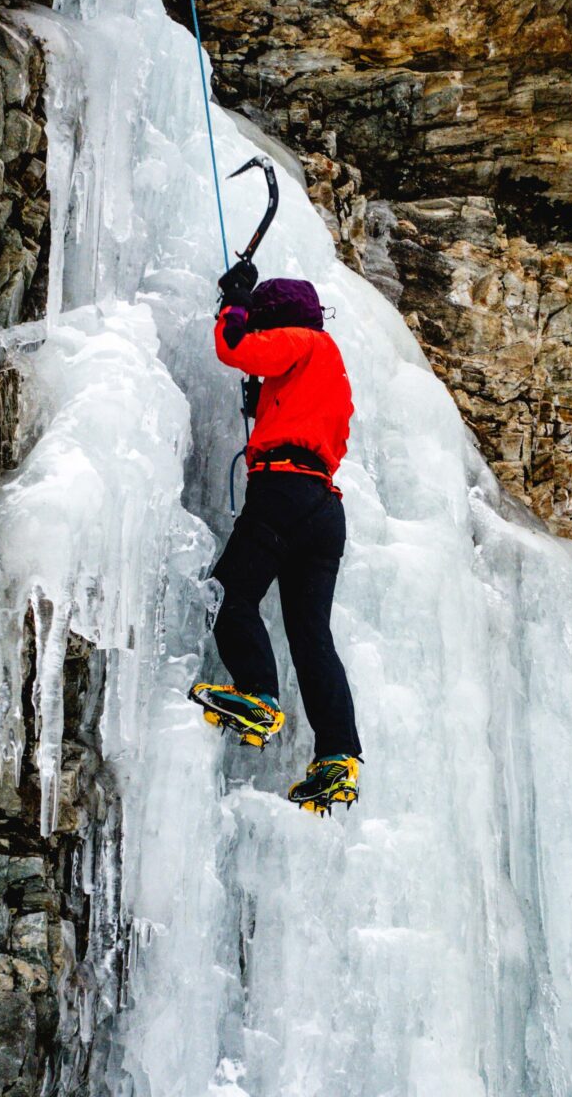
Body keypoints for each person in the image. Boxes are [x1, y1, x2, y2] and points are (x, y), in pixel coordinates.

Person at [189, 259, 362, 815]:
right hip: (323, 508)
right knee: (311, 636)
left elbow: (235, 346)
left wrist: (235, 301)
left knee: (229, 594)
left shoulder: (302, 342)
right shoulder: (330, 369)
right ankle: (338, 755)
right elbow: (310, 418)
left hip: (282, 492)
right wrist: (263, 403)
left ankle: (259, 695)